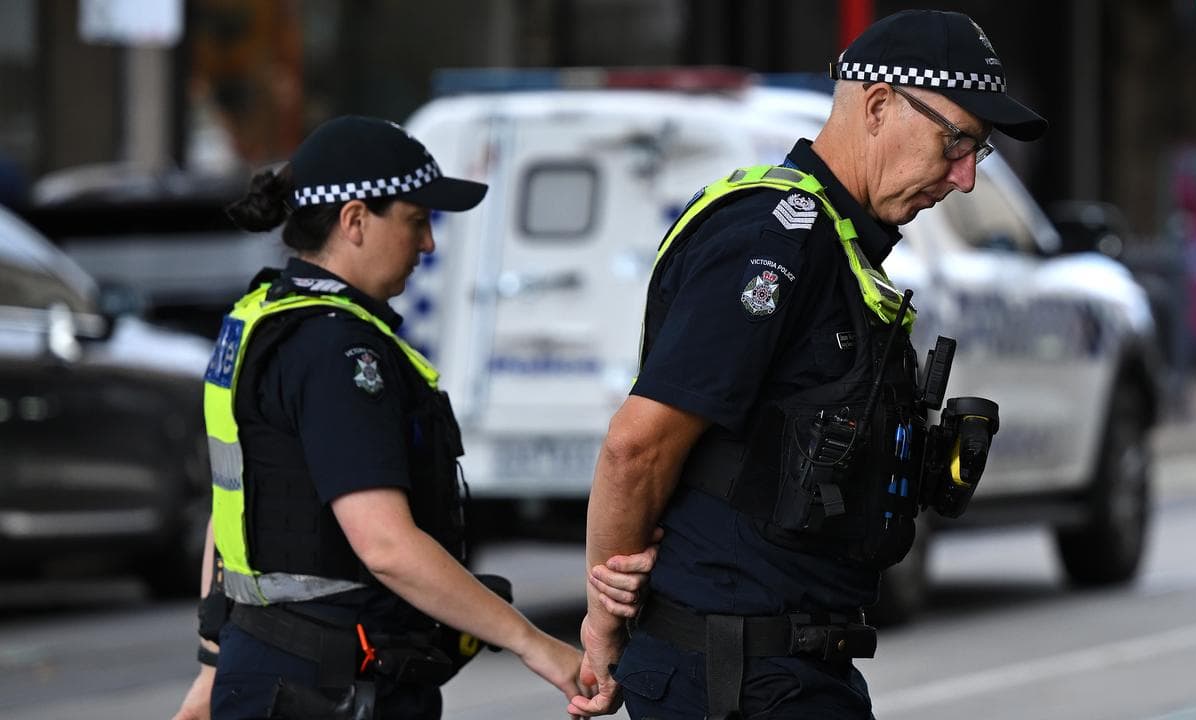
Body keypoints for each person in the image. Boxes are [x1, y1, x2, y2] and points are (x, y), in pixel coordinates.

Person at [571, 9, 1046, 719]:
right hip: (736, 676)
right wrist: (604, 620)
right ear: (880, 105)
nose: (966, 178)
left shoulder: (836, 245)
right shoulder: (775, 240)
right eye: (957, 142)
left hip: (787, 670)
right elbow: (636, 446)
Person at [169, 115, 654, 720]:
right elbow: (387, 546)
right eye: (416, 221)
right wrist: (539, 648)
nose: (428, 244)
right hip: (326, 690)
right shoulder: (336, 351)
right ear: (354, 221)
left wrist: (216, 662)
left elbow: (235, 506)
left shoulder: (261, 318)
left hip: (273, 669)